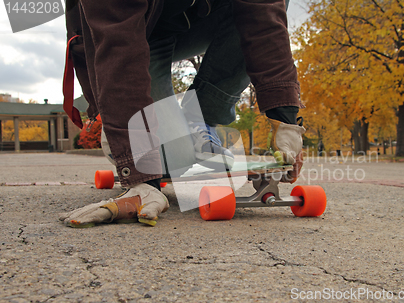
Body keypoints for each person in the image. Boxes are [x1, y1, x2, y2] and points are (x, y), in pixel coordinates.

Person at [59, 0, 306, 227]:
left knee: (262, 8)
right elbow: (116, 45)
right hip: (127, 36)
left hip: (192, 22)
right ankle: (116, 136)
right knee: (178, 158)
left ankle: (200, 119)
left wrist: (285, 119)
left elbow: (265, 21)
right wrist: (137, 169)